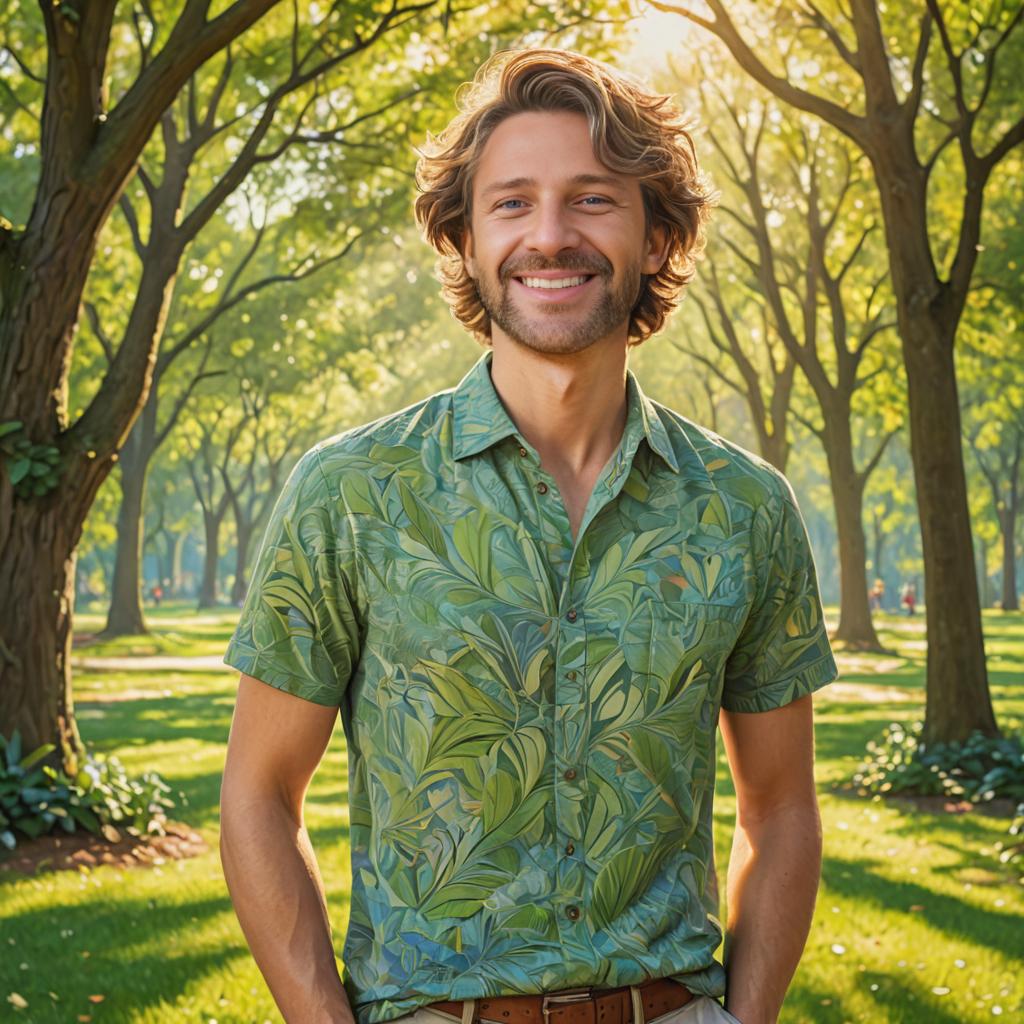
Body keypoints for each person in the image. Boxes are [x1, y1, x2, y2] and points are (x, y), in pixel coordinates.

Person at [219, 48, 839, 1024]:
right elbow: (257, 797)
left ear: (655, 233)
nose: (549, 235)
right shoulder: (352, 493)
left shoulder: (744, 509)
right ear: (464, 239)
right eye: (511, 203)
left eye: (592, 199)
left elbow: (782, 811)